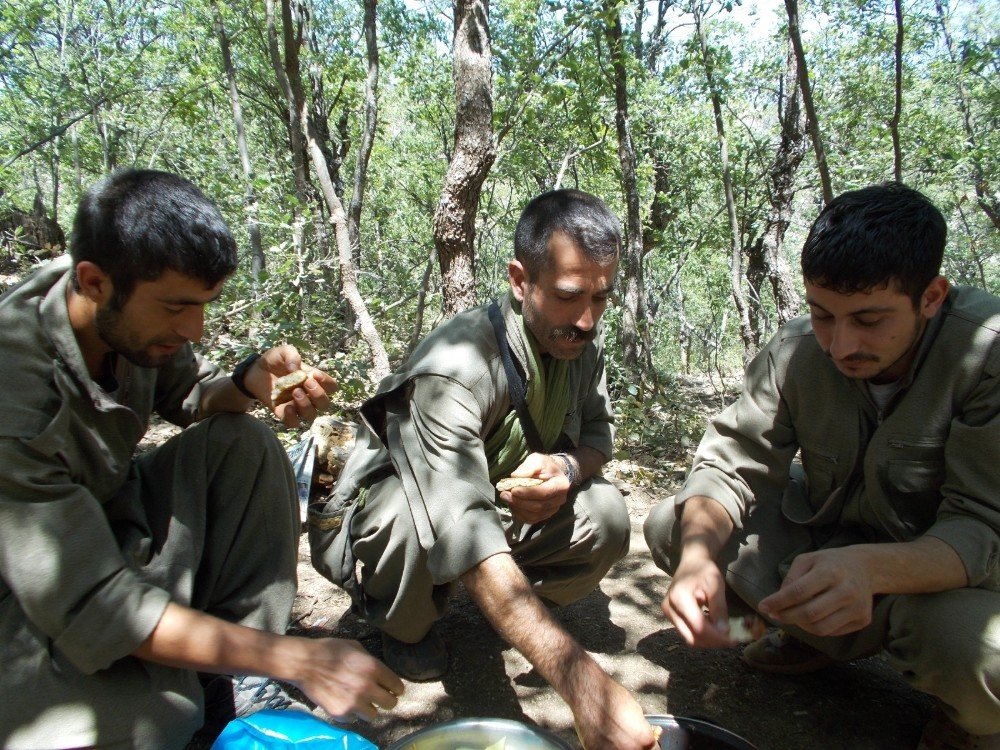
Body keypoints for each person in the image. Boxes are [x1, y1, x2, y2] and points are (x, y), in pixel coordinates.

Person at [0, 169, 403, 750]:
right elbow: (97, 605)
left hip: (114, 523)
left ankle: (236, 680)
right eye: (176, 309)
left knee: (244, 444)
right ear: (91, 282)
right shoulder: (17, 404)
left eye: (205, 306)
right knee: (150, 723)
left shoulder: (123, 310)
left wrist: (249, 383)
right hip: (31, 591)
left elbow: (192, 396)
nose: (194, 328)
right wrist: (298, 658)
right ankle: (217, 675)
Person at [644, 183, 1000, 749]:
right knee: (677, 525)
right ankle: (807, 635)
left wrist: (871, 570)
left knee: (982, 656)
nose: (839, 345)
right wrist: (695, 560)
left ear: (931, 296)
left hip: (936, 579)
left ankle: (969, 720)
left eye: (868, 319)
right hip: (830, 536)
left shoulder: (987, 355)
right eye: (823, 315)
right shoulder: (798, 348)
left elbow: (982, 528)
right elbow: (730, 465)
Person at [310, 189, 657, 749]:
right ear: (521, 282)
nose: (588, 319)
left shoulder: (579, 347)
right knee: (402, 513)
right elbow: (461, 525)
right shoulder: (457, 367)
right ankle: (406, 624)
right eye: (570, 297)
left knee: (606, 512)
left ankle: (514, 613)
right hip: (400, 519)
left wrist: (566, 469)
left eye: (602, 297)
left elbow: (597, 439)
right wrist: (582, 686)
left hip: (485, 511)